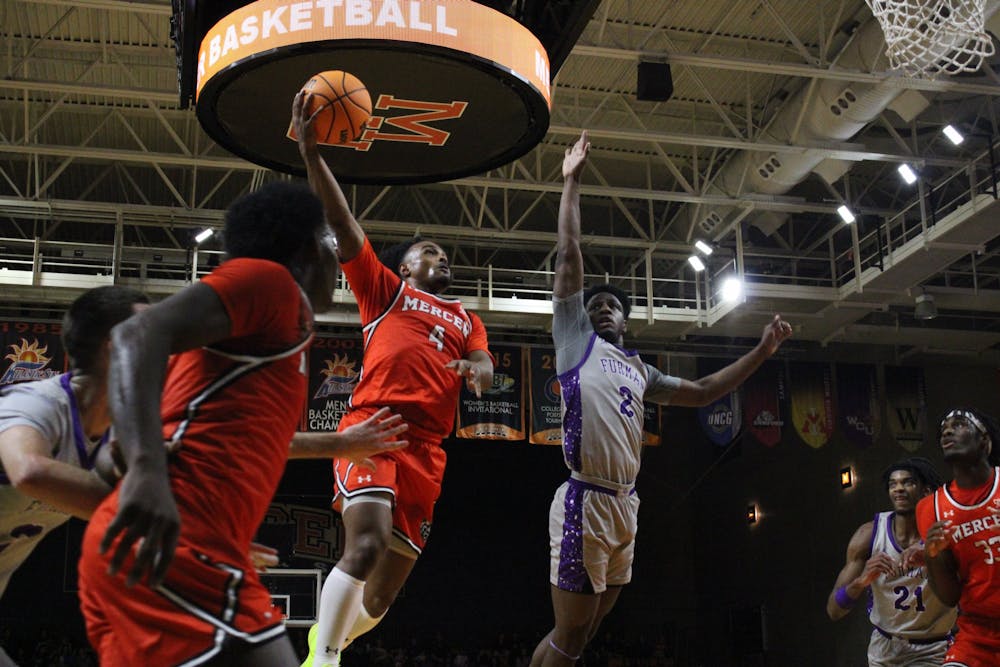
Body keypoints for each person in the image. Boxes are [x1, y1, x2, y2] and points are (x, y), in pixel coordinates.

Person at [75, 181, 407, 667]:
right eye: (331, 245)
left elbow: (245, 438)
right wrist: (146, 468)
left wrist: (340, 442)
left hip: (186, 548)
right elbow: (134, 333)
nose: (338, 260)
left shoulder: (275, 327)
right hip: (178, 546)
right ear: (309, 249)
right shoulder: (270, 284)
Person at [529, 131, 793, 666]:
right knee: (570, 633)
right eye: (595, 303)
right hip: (586, 497)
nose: (602, 308)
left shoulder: (640, 371)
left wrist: (763, 351)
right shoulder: (575, 341)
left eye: (612, 305)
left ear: (627, 320)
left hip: (626, 505)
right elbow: (570, 258)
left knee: (589, 631)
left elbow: (702, 392)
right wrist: (572, 182)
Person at [292, 92, 495, 667]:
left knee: (381, 596)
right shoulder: (385, 291)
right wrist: (312, 157)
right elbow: (342, 222)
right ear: (405, 266)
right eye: (429, 252)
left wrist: (475, 371)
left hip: (427, 451)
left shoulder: (464, 316)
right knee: (366, 543)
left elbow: (483, 362)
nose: (442, 258)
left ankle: (323, 641)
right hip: (374, 427)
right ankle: (324, 659)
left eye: (444, 254)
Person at [0, 286, 149, 666]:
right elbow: (28, 471)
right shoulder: (36, 404)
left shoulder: (120, 431)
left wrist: (326, 444)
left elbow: (231, 437)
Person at [826, 457, 955, 665]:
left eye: (908, 482)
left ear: (927, 491)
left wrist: (931, 560)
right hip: (885, 647)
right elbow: (833, 610)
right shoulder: (868, 535)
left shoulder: (942, 534)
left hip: (933, 647)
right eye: (893, 484)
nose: (899, 489)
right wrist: (860, 582)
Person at [918, 407, 1000, 666]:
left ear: (984, 442)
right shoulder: (930, 508)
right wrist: (933, 557)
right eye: (944, 429)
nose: (948, 431)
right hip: (977, 635)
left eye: (960, 424)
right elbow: (949, 596)